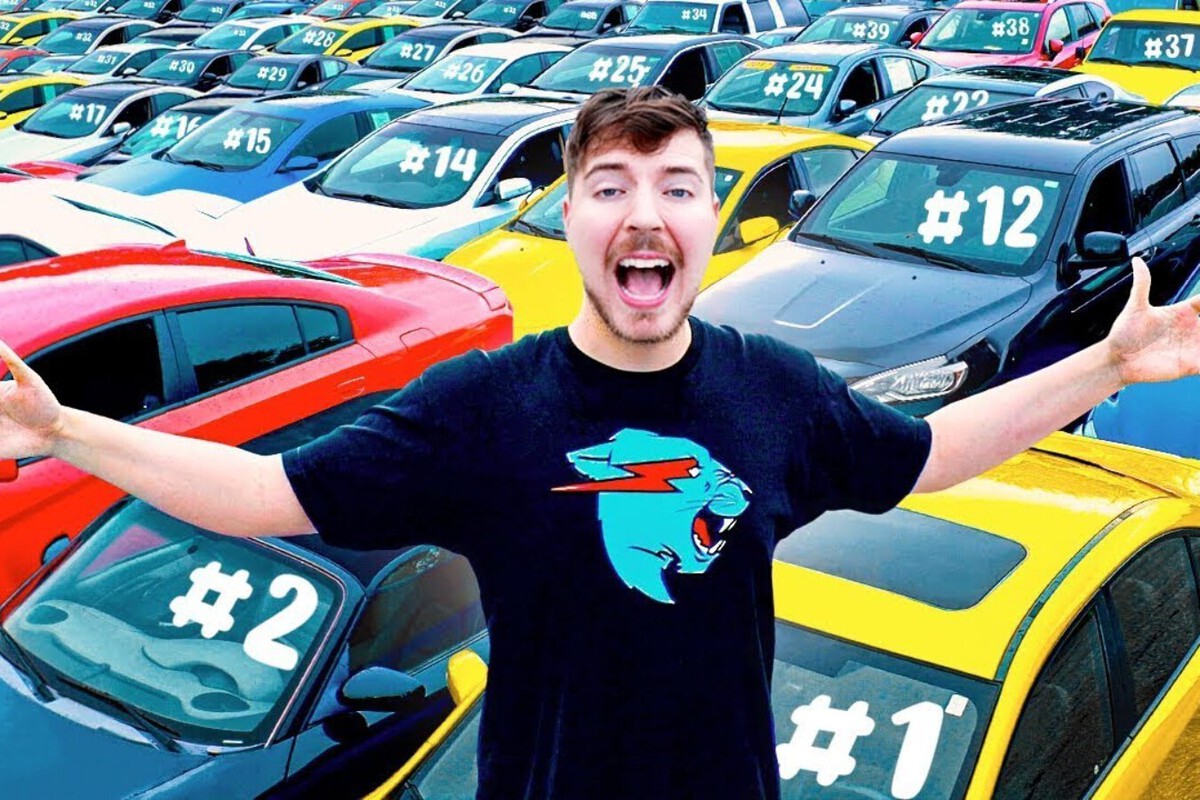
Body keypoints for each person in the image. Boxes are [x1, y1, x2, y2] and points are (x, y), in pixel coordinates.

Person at [2, 86, 1200, 799]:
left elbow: (926, 454)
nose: (644, 212)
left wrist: (1104, 365)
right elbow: (267, 492)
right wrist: (63, 426)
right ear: (572, 212)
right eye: (612, 184)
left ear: (711, 217)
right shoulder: (483, 405)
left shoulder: (774, 391)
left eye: (677, 186)